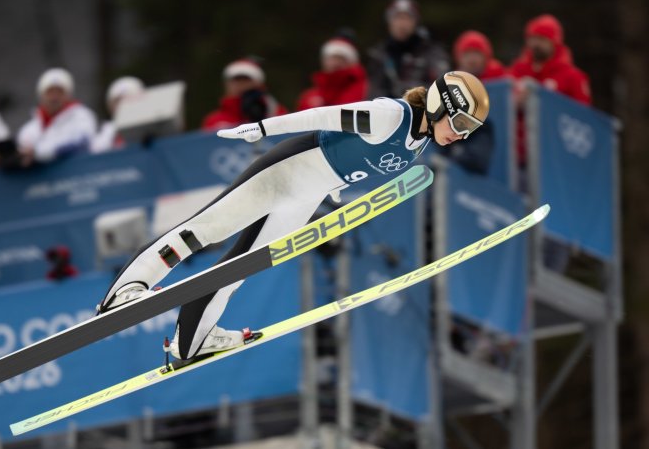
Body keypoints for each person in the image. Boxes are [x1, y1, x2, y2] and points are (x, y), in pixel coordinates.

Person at [96, 71, 490, 361]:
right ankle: (123, 294)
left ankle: (190, 341)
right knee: (203, 230)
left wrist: (336, 194)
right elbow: (323, 117)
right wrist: (263, 128)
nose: (461, 134)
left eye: (469, 130)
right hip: (285, 173)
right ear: (441, 105)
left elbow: (353, 160)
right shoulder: (391, 116)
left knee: (240, 269)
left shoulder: (419, 143)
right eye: (460, 122)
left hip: (306, 195)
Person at [435, 31, 508, 176]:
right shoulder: (450, 83)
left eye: (477, 54)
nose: (472, 59)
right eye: (467, 54)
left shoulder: (501, 80)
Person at [366, 0, 450, 99]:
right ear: (389, 22)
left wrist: (409, 91)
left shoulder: (432, 53)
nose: (402, 24)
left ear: (415, 22)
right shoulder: (379, 55)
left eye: (407, 18)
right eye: (397, 18)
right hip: (387, 110)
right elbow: (373, 92)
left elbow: (443, 88)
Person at [17, 68, 97, 165]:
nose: (54, 97)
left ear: (68, 95)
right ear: (41, 95)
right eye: (50, 92)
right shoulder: (28, 130)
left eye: (60, 92)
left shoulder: (82, 116)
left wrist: (38, 153)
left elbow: (82, 143)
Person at [510, 14, 591, 105]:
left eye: (541, 39)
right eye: (532, 38)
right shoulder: (517, 70)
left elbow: (582, 113)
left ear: (554, 42)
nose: (535, 44)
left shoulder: (573, 77)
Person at [201, 58, 288, 131]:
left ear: (259, 84)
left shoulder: (275, 111)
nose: (240, 85)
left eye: (246, 80)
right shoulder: (215, 120)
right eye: (236, 80)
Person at [297, 37, 369, 111]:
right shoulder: (309, 97)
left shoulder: (365, 89)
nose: (335, 63)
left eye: (340, 59)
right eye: (332, 58)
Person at [92, 76, 145, 153]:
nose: (122, 105)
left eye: (127, 99)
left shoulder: (153, 126)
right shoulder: (105, 132)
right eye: (117, 101)